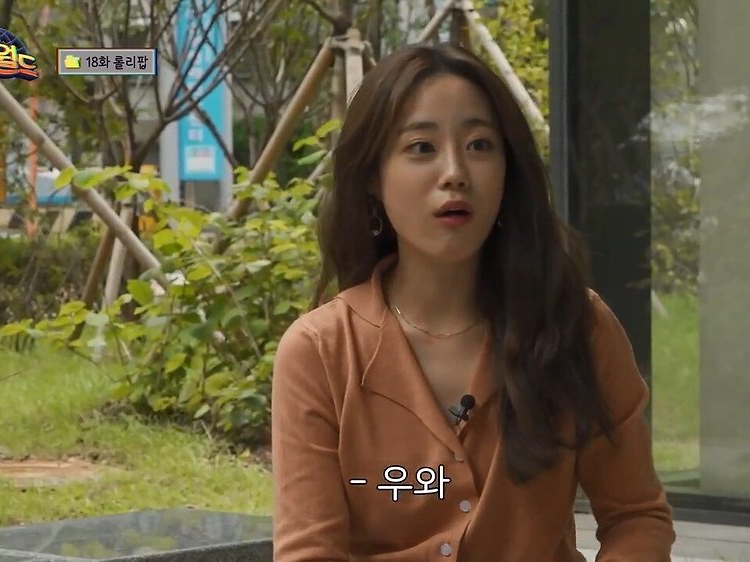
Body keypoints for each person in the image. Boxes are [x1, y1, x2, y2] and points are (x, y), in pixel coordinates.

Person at [271, 43, 675, 561]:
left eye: (480, 145)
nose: (455, 172)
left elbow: (636, 517)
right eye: (422, 147)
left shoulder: (575, 325)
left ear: (508, 170)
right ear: (373, 176)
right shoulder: (321, 351)